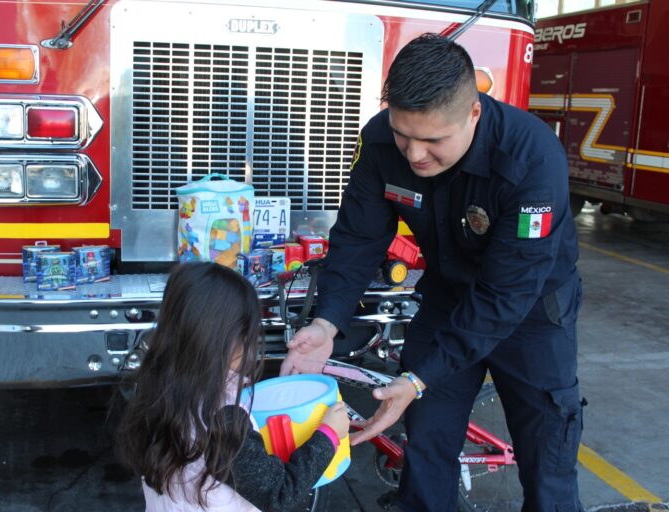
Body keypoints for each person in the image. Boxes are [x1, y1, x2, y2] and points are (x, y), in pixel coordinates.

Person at [281, 34, 584, 512]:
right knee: (426, 444)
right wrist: (327, 321)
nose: (415, 155)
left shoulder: (532, 158)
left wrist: (420, 377)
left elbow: (506, 294)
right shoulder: (381, 141)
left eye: (433, 140)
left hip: (531, 313)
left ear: (474, 114)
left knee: (547, 456)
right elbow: (359, 238)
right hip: (448, 300)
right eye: (405, 135)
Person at [116, 261, 349, 511]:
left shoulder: (158, 388)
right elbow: (279, 494)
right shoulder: (223, 418)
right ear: (227, 340)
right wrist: (329, 436)